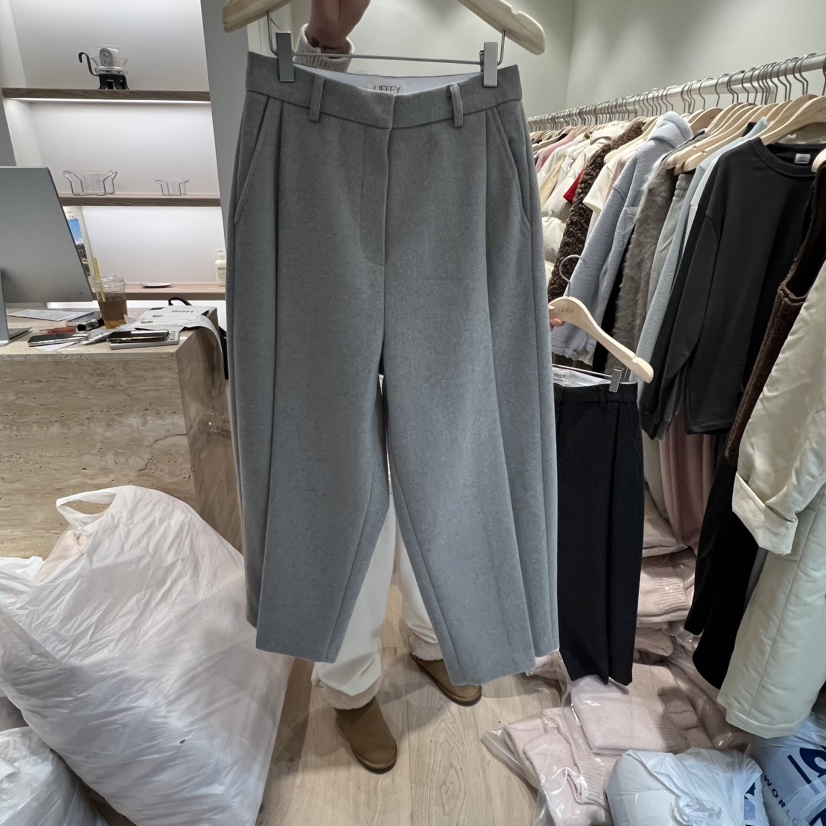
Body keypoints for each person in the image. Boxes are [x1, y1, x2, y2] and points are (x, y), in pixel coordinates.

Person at [291, 0, 483, 775]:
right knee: (343, 482)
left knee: (443, 467)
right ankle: (350, 686)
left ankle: (434, 638)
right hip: (327, 192)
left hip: (455, 169)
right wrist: (324, 46)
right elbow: (309, 128)